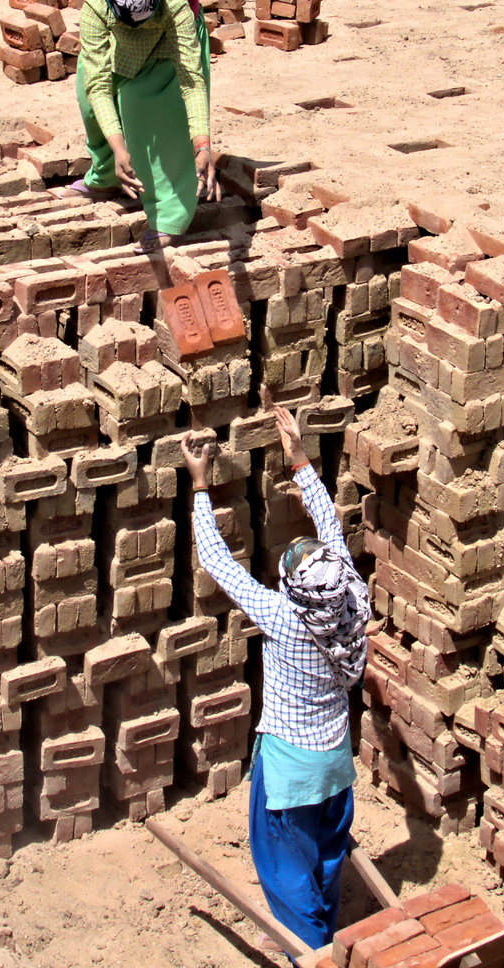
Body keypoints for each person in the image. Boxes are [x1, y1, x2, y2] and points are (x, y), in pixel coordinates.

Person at [180, 407, 371, 955]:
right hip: (336, 762)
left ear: (293, 591)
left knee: (287, 881)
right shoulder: (351, 597)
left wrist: (200, 484)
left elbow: (219, 563)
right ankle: (328, 939)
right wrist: (300, 456)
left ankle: (312, 957)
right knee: (325, 862)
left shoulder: (283, 621)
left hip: (289, 774)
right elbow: (331, 531)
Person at [59, 0, 225, 251]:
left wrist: (202, 144)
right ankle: (110, 174)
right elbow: (97, 83)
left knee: (145, 108)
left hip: (169, 42)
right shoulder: (97, 2)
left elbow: (191, 78)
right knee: (89, 97)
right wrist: (119, 148)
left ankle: (170, 214)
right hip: (118, 41)